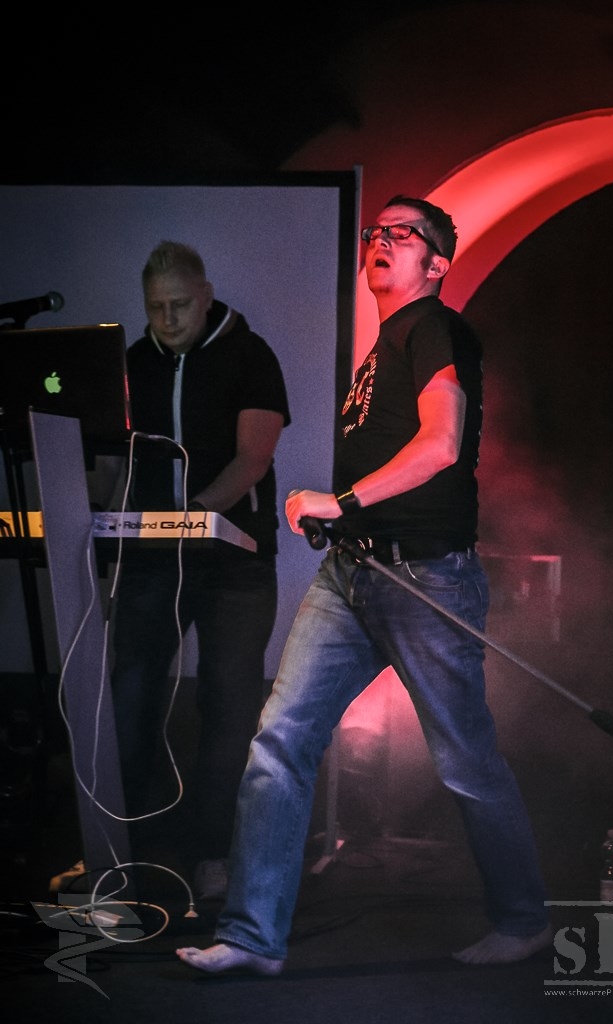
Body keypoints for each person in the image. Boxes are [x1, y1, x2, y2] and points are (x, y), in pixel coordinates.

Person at [176, 196, 551, 974]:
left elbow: (441, 444)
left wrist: (339, 501)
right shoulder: (386, 342)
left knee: (463, 758)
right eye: (374, 232)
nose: (380, 240)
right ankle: (251, 938)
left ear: (436, 263)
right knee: (280, 739)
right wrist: (342, 519)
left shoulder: (433, 327)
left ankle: (523, 919)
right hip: (350, 573)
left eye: (401, 233)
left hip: (423, 577)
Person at [109, 241, 290, 900]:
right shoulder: (133, 363)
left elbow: (252, 459)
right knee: (130, 696)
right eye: (155, 307)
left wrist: (193, 514)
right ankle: (130, 850)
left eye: (179, 305)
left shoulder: (251, 355)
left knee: (227, 704)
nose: (167, 319)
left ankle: (214, 851)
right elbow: (111, 456)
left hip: (236, 564)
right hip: (152, 562)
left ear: (206, 295)